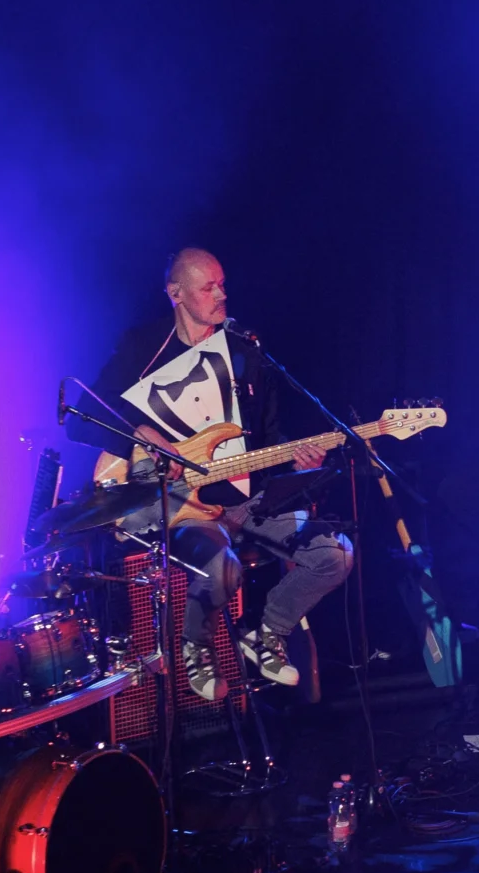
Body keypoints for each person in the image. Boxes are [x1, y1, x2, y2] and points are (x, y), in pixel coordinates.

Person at [68, 248, 346, 703]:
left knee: (334, 554)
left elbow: (269, 438)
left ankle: (266, 631)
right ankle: (196, 647)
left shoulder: (245, 352)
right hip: (182, 503)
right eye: (207, 287)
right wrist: (140, 432)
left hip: (247, 498)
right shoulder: (143, 347)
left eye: (222, 284)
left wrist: (299, 461)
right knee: (222, 566)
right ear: (175, 293)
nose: (220, 295)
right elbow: (81, 417)